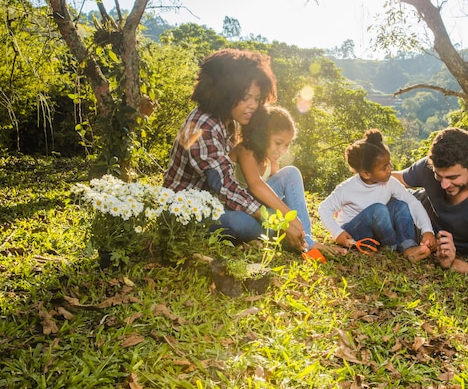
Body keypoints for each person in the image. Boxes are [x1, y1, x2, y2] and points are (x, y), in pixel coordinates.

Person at [162, 48, 306, 251]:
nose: (252, 106)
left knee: (288, 175)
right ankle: (288, 237)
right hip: (188, 208)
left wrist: (287, 217)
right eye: (246, 97)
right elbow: (224, 186)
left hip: (218, 200)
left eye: (256, 99)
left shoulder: (227, 119)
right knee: (241, 222)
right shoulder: (199, 126)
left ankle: (306, 239)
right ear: (226, 92)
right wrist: (281, 222)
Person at [391, 127, 468, 279]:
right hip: (411, 215)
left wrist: (454, 264)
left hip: (446, 247)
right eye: (438, 176)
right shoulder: (428, 167)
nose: (444, 185)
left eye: (453, 177)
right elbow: (397, 180)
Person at [229, 105, 342, 257]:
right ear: (263, 135)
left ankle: (303, 239)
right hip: (240, 207)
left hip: (260, 212)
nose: (282, 150)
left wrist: (290, 222)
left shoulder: (271, 160)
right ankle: (301, 240)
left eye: (287, 145)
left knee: (291, 173)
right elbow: (256, 186)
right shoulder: (245, 150)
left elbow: (275, 198)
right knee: (240, 223)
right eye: (278, 142)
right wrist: (292, 218)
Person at [318, 129, 436, 262]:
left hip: (378, 232)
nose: (390, 169)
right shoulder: (347, 188)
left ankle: (408, 246)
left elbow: (413, 203)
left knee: (401, 204)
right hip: (353, 233)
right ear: (366, 174)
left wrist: (427, 230)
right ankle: (392, 247)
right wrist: (337, 232)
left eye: (389, 164)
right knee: (378, 209)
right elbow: (324, 208)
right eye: (384, 168)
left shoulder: (391, 182)